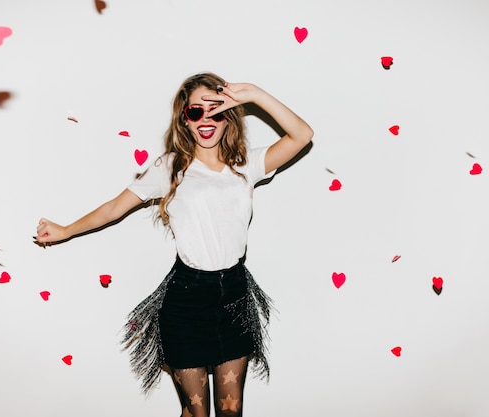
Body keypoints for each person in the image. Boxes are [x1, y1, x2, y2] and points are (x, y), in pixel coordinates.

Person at [35, 72, 313, 417]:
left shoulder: (246, 165)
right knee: (196, 413)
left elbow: (303, 135)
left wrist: (254, 94)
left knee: (231, 412)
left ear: (231, 116)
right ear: (184, 119)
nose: (207, 120)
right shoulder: (170, 168)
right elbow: (112, 209)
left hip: (235, 297)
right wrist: (66, 230)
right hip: (186, 300)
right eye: (196, 112)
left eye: (217, 110)